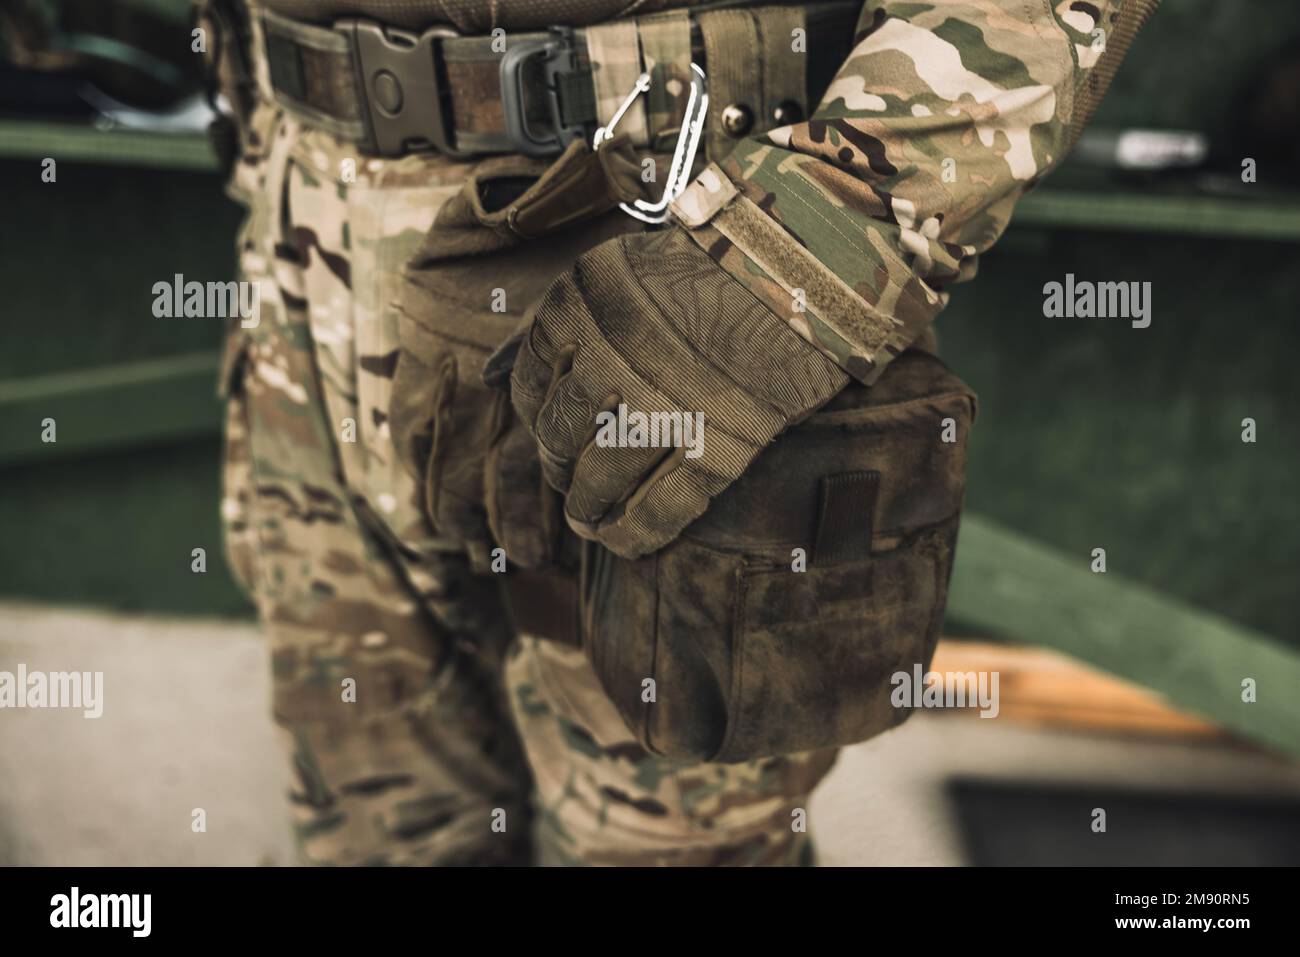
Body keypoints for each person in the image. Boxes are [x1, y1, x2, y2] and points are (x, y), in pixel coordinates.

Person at [199, 0, 1157, 865]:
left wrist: (801, 251)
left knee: (666, 845)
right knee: (368, 821)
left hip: (673, 243)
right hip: (306, 228)